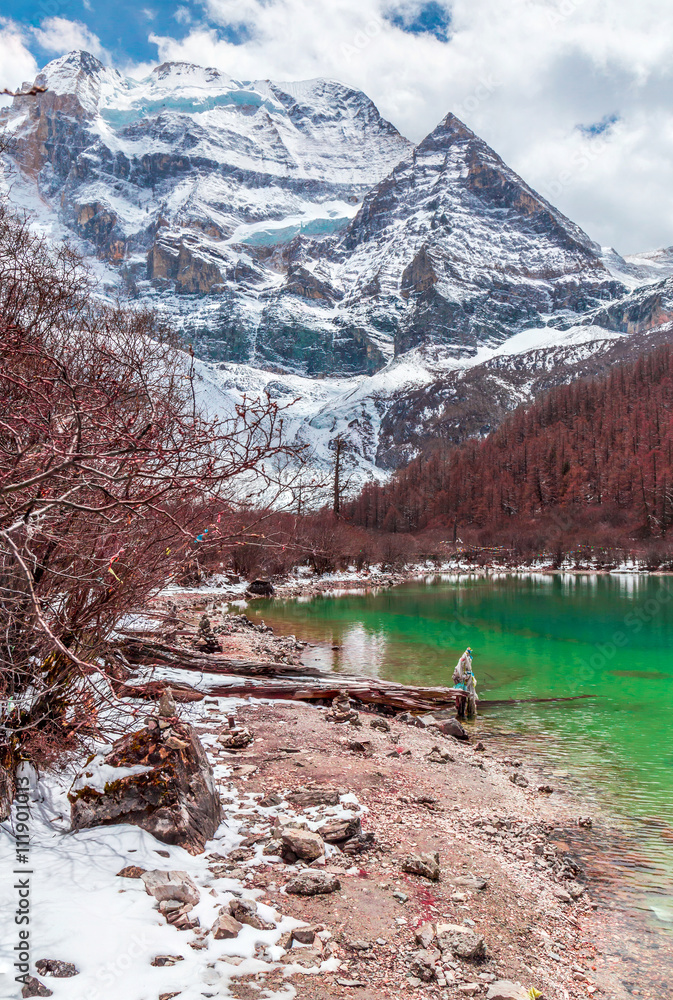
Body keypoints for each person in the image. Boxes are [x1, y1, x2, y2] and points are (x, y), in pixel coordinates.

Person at [453, 647, 478, 719]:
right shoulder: (464, 658)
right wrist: (463, 677)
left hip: (466, 678)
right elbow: (460, 670)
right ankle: (461, 713)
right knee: (462, 696)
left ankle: (467, 712)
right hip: (463, 679)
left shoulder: (466, 658)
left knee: (466, 695)